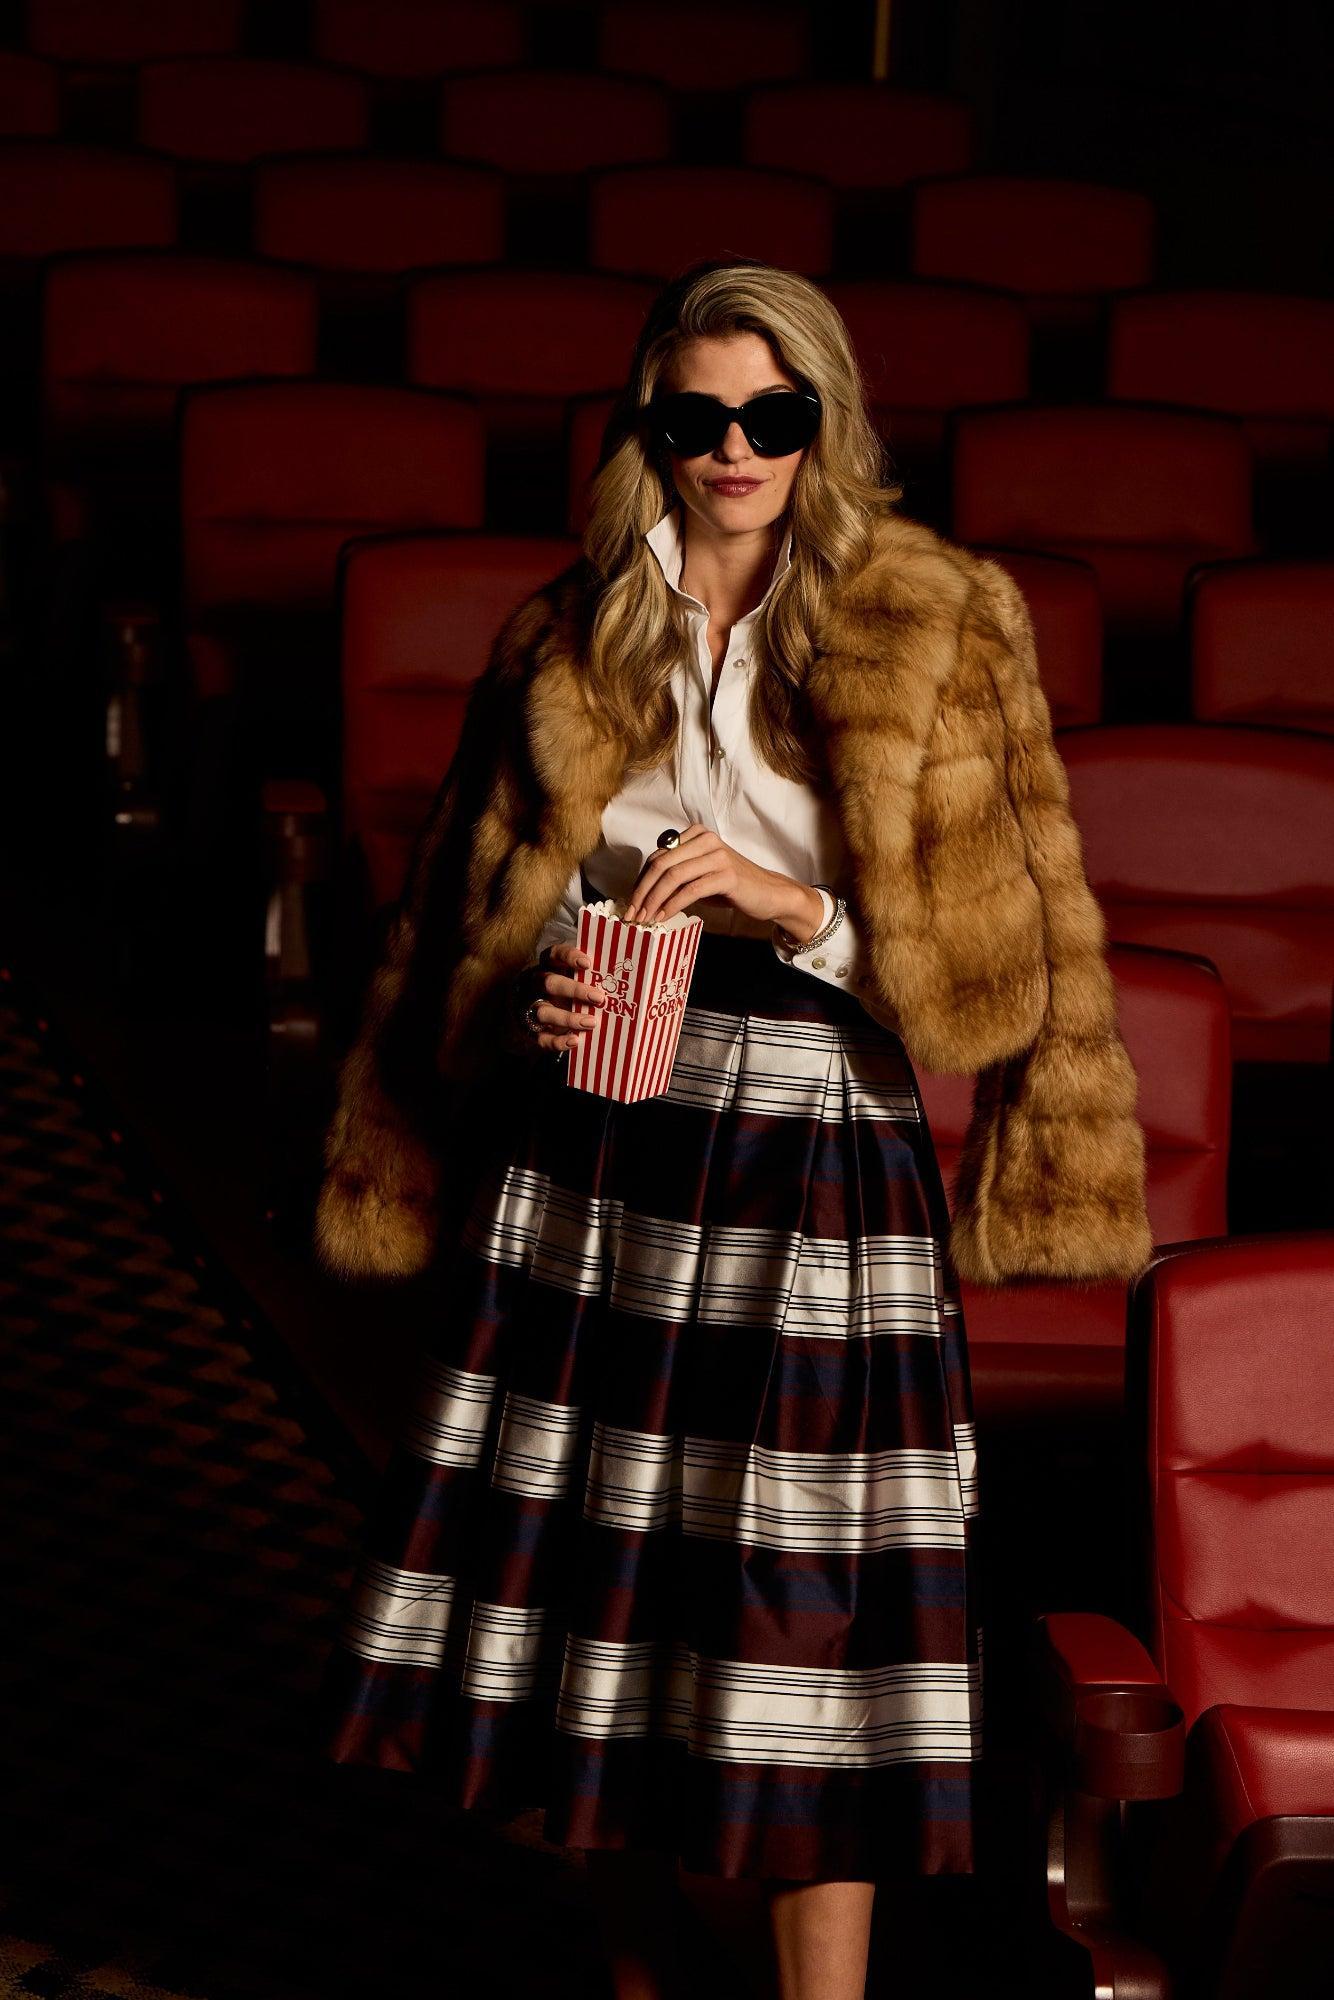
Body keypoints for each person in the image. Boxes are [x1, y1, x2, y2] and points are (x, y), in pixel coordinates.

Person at [312, 258, 1153, 2000]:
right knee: (593, 1611)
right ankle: (633, 1975)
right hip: (598, 1158)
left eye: (771, 416)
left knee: (802, 1620)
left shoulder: (934, 615)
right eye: (697, 417)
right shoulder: (566, 626)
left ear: (821, 420)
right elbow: (455, 910)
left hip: (810, 1155)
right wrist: (538, 976)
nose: (733, 449)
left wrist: (801, 913)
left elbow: (1001, 957)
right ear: (649, 424)